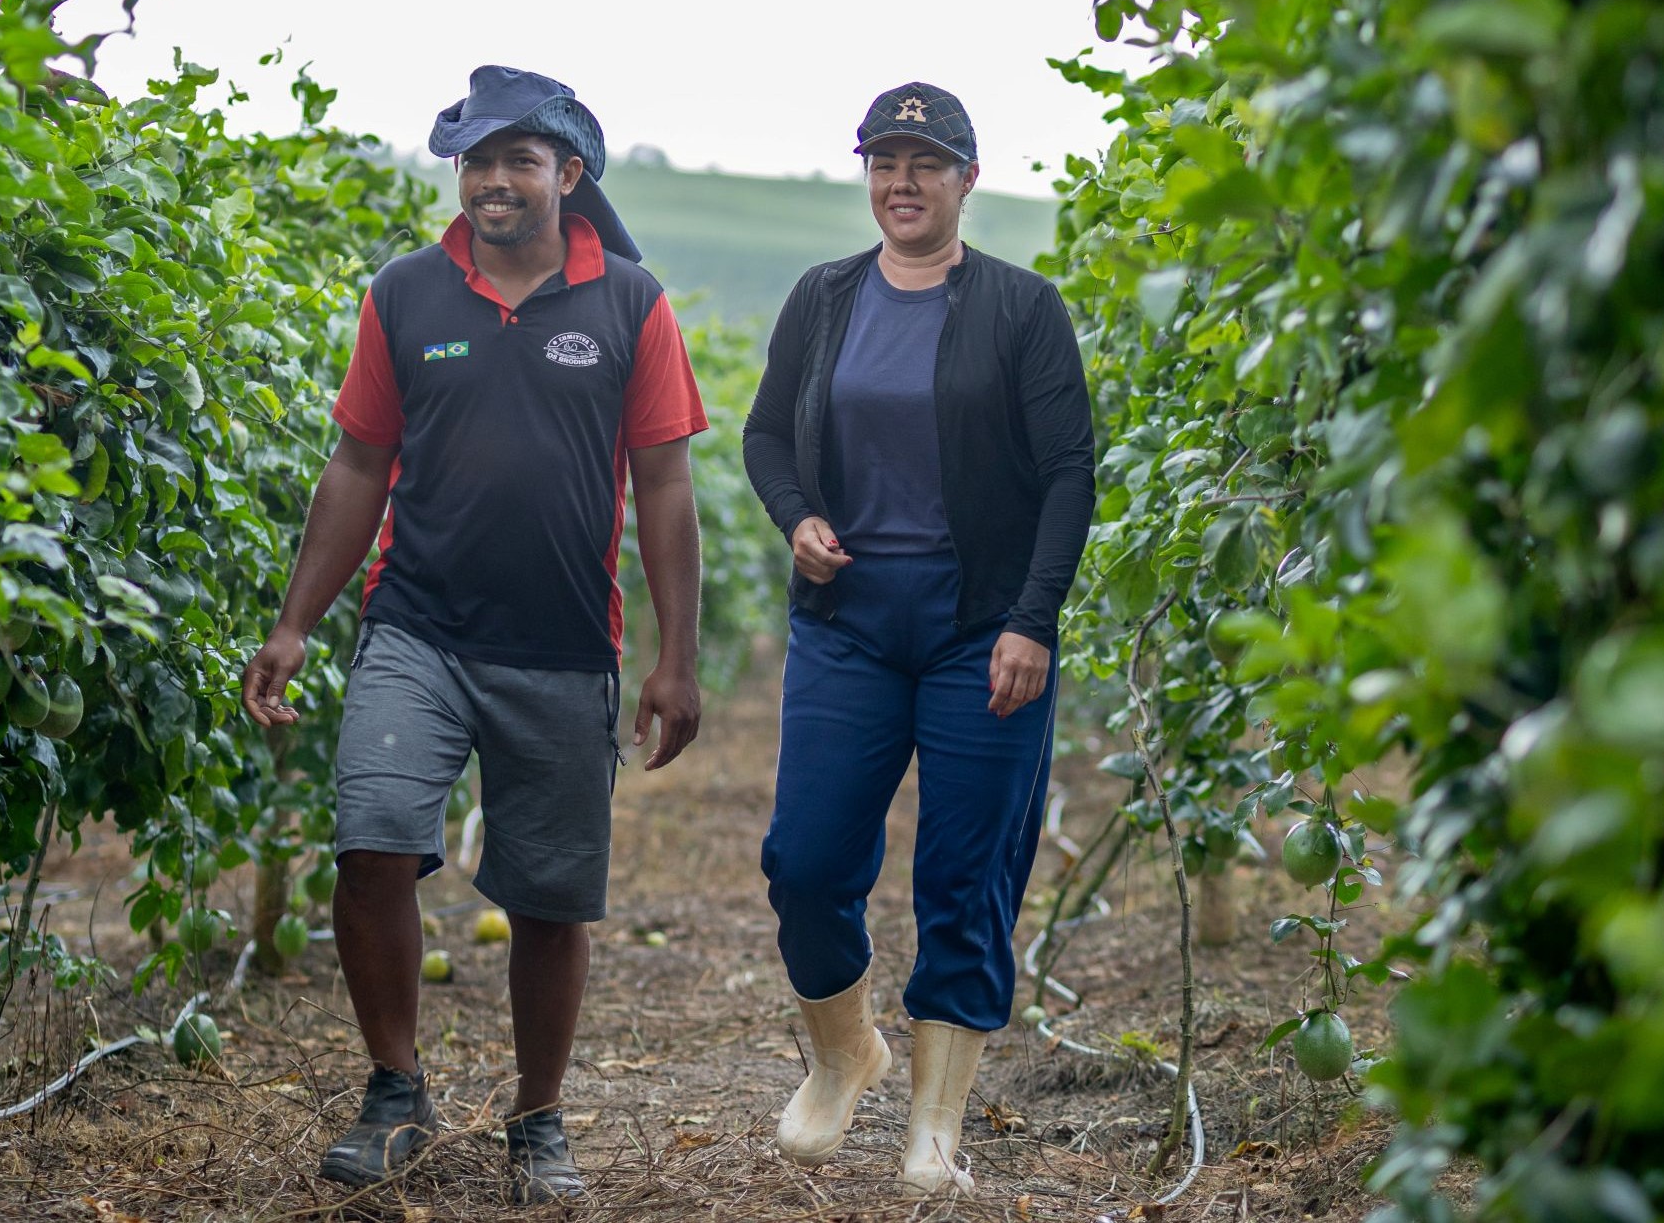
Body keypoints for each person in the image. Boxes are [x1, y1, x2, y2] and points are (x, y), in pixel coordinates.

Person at [241, 66, 708, 1205]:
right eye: (475, 161)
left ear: (569, 175)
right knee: (372, 838)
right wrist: (297, 622)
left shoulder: (630, 304)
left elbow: (664, 486)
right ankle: (395, 1090)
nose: (493, 181)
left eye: (519, 161)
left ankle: (537, 1119)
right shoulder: (407, 293)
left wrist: (676, 656)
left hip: (560, 644)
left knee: (549, 899)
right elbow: (357, 462)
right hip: (419, 627)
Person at [741, 82, 1095, 1196]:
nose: (900, 183)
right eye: (884, 162)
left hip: (979, 631)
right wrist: (796, 515)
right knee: (804, 859)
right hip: (848, 622)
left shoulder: (1019, 308)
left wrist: (1031, 621)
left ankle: (934, 1128)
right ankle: (844, 1053)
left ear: (966, 180)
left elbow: (1067, 475)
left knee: (966, 873)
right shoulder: (824, 297)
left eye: (924, 165)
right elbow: (763, 436)